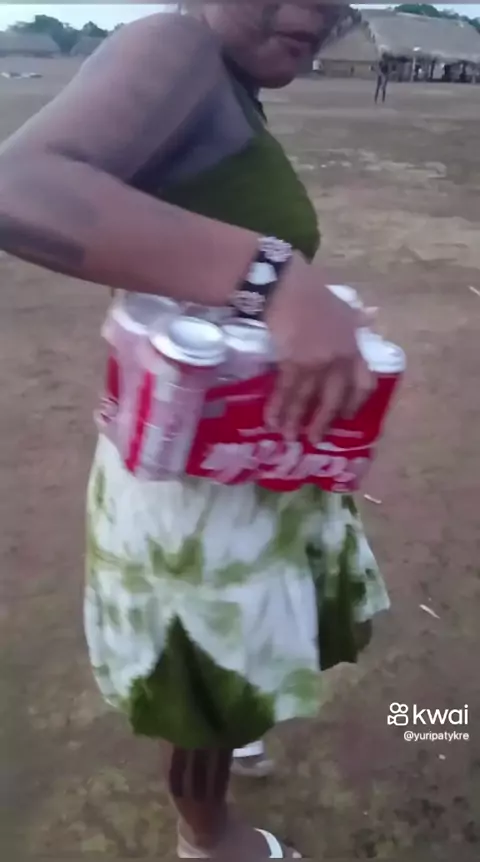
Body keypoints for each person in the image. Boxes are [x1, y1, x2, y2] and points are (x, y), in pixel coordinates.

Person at [0, 4, 390, 858]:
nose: (314, 11)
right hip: (194, 477)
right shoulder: (174, 45)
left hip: (235, 443)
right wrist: (271, 277)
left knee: (236, 663)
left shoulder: (228, 80)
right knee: (209, 679)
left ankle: (228, 739)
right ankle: (208, 839)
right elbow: (17, 187)